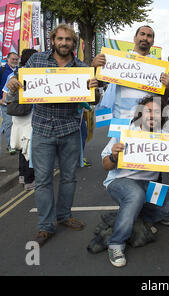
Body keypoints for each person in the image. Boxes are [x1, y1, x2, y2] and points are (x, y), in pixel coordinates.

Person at [7, 24, 103, 247]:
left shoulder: (81, 67)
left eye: (68, 39)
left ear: (74, 43)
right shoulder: (36, 61)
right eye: (60, 38)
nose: (64, 43)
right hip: (41, 129)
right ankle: (45, 226)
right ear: (52, 40)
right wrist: (13, 84)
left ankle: (64, 215)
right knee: (42, 181)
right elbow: (18, 83)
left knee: (69, 177)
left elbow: (93, 101)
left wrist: (94, 89)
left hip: (69, 129)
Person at [101, 96, 169, 267]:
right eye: (148, 111)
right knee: (135, 195)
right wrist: (114, 156)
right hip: (121, 181)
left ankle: (134, 217)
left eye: (157, 112)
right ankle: (115, 243)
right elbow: (105, 165)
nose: (152, 115)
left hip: (149, 185)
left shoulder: (165, 136)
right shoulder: (125, 132)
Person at [97, 25, 169, 121]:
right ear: (134, 38)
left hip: (148, 121)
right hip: (121, 119)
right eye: (142, 34)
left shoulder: (159, 67)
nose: (145, 38)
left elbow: (164, 97)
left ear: (153, 42)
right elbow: (100, 83)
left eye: (149, 36)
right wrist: (95, 67)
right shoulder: (120, 60)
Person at [4, 49, 37, 191]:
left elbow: (6, 96)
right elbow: (6, 96)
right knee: (28, 147)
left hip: (20, 117)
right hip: (27, 116)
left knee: (23, 147)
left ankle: (23, 177)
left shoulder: (15, 74)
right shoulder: (23, 75)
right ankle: (29, 179)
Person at [0, 52, 19, 154]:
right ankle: (10, 146)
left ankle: (16, 144)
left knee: (16, 124)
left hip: (17, 103)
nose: (15, 61)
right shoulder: (2, 70)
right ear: (7, 59)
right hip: (4, 103)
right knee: (8, 124)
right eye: (13, 59)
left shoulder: (19, 71)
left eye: (16, 59)